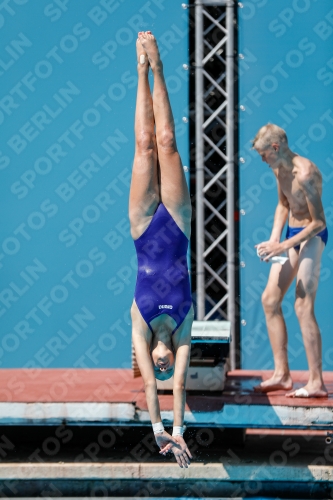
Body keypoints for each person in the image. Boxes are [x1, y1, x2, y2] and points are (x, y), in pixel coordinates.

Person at [130, 32, 194, 467]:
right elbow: (178, 388)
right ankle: (160, 67)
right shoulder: (186, 324)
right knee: (168, 141)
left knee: (144, 146)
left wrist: (157, 433)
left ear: (152, 358)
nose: (165, 365)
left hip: (142, 228)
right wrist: (177, 430)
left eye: (161, 366)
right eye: (168, 366)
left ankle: (140, 72)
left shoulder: (139, 320)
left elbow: (153, 388)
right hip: (177, 223)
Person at [253, 123, 328, 398]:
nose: (262, 160)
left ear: (275, 148)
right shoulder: (278, 169)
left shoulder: (305, 173)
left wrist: (283, 245)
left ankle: (316, 382)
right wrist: (275, 241)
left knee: (302, 306)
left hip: (312, 236)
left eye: (263, 154)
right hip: (290, 236)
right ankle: (282, 375)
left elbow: (319, 222)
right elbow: (283, 204)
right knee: (269, 300)